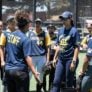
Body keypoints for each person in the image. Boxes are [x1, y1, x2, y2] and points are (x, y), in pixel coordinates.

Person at [0, 14, 40, 92]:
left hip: (9, 71)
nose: (30, 25)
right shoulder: (25, 39)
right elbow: (27, 57)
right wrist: (34, 72)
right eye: (29, 23)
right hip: (20, 72)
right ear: (26, 25)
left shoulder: (10, 36)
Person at [51, 11, 80, 92]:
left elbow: (77, 47)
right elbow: (58, 46)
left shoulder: (74, 31)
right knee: (56, 81)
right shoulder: (60, 30)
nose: (63, 20)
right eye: (62, 19)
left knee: (68, 82)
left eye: (65, 19)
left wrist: (74, 61)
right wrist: (55, 57)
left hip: (70, 59)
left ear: (70, 19)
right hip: (61, 60)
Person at [27, 18, 51, 92]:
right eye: (36, 23)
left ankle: (39, 89)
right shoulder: (30, 33)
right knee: (29, 75)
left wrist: (47, 60)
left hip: (41, 57)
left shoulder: (45, 34)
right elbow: (26, 45)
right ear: (34, 24)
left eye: (39, 23)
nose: (37, 24)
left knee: (40, 75)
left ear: (41, 24)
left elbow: (48, 48)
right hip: (32, 57)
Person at [79, 22, 92, 92]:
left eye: (90, 28)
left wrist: (82, 71)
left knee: (84, 87)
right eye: (88, 28)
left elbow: (87, 59)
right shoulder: (88, 37)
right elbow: (81, 44)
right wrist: (84, 45)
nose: (89, 29)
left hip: (90, 66)